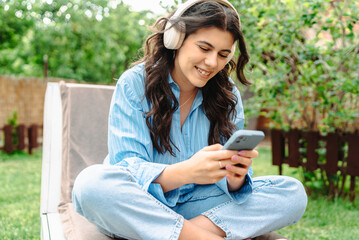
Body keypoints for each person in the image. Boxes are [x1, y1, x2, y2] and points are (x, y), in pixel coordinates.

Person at [72, 0, 307, 239]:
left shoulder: (229, 95)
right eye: (204, 49)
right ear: (176, 39)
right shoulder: (134, 84)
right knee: (90, 185)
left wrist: (235, 179)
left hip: (197, 205)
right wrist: (187, 172)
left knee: (292, 193)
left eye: (223, 54)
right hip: (143, 203)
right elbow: (127, 168)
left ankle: (175, 233)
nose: (212, 63)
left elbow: (231, 182)